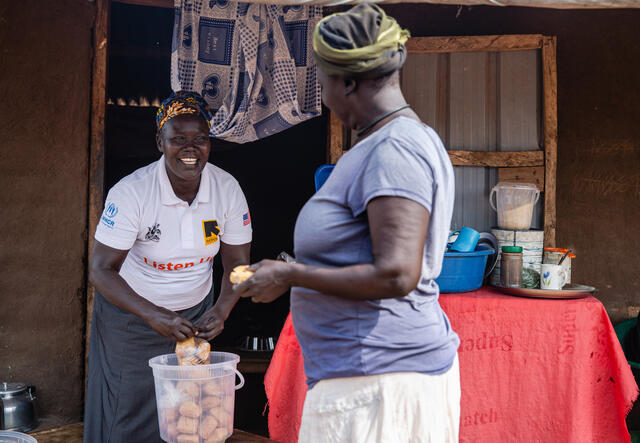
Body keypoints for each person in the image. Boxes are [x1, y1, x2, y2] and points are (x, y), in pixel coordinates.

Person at [233, 4, 460, 442]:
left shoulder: (395, 149)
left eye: (322, 80)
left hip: (378, 386)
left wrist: (291, 273)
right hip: (368, 381)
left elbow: (397, 273)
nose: (322, 96)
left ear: (349, 82)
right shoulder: (389, 142)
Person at [83, 91, 252, 442]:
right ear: (160, 141)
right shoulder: (132, 193)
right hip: (131, 317)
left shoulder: (227, 190)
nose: (190, 149)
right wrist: (152, 315)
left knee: (188, 413)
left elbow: (238, 263)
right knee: (127, 410)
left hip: (195, 316)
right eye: (178, 139)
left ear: (210, 143)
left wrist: (222, 309)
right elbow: (101, 269)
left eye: (200, 139)